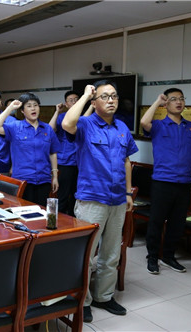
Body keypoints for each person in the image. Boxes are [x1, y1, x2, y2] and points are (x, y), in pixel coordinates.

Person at [62, 80, 138, 323]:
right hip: (91, 199)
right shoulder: (85, 124)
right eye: (105, 96)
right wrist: (85, 96)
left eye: (114, 96)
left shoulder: (122, 127)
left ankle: (104, 296)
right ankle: (82, 299)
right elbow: (66, 123)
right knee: (86, 253)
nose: (111, 100)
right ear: (95, 103)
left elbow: (127, 161)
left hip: (117, 199)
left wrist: (128, 193)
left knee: (111, 252)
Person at [140, 88, 191, 274]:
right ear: (166, 104)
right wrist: (157, 101)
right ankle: (152, 257)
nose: (179, 102)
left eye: (181, 99)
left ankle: (168, 257)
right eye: (174, 99)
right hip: (162, 181)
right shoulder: (159, 125)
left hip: (184, 182)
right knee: (156, 221)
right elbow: (144, 122)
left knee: (177, 223)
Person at [0, 92, 60, 206]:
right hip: (23, 180)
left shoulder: (47, 128)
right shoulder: (15, 126)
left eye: (35, 105)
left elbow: (52, 152)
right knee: (23, 213)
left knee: (41, 213)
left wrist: (55, 176)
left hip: (44, 180)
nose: (33, 108)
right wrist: (10, 108)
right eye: (28, 106)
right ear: (22, 111)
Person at [48, 91, 93, 216]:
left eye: (76, 99)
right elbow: (50, 129)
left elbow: (82, 120)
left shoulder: (85, 118)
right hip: (65, 162)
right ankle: (59, 223)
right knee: (62, 196)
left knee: (76, 196)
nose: (74, 102)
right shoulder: (63, 117)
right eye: (71, 100)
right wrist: (57, 111)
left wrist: (91, 105)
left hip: (79, 163)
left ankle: (73, 223)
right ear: (66, 104)